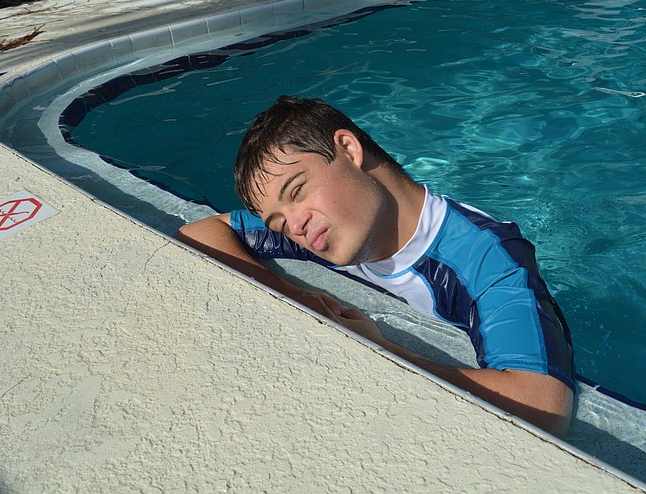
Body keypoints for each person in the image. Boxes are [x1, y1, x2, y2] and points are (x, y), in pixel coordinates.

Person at [176, 95, 575, 436]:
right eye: (278, 223)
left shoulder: (485, 256)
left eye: (297, 191)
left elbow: (544, 404)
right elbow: (201, 231)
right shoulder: (319, 232)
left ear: (349, 150)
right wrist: (299, 297)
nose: (293, 225)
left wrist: (380, 349)